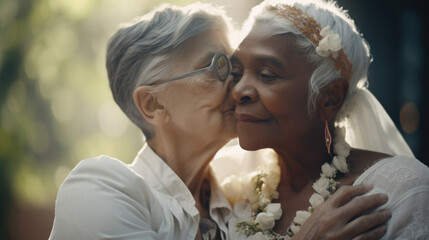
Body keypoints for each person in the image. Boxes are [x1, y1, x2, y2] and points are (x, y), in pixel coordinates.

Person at [50, 2, 391, 240]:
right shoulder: (100, 190)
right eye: (218, 66)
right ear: (154, 105)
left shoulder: (243, 202)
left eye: (236, 66)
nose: (241, 86)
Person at [223, 0, 429, 239]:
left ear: (330, 98)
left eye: (267, 74)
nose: (239, 91)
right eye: (236, 73)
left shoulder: (397, 190)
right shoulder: (233, 194)